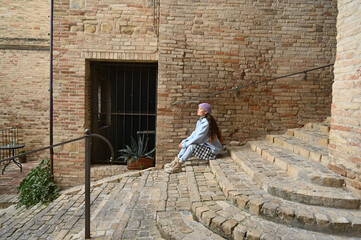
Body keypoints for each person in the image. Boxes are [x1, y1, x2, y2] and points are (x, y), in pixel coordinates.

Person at [164, 103, 223, 173]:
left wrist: (185, 145)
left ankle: (179, 165)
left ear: (206, 112)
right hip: (204, 146)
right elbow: (194, 134)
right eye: (198, 108)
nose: (198, 110)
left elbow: (198, 138)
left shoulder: (206, 123)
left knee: (191, 146)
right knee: (187, 143)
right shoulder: (200, 121)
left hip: (212, 151)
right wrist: (184, 141)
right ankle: (176, 161)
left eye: (200, 109)